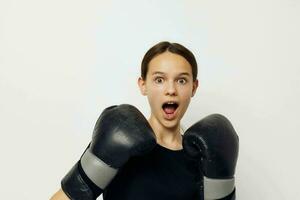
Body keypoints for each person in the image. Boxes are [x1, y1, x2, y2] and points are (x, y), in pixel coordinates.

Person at [50, 41, 238, 200]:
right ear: (143, 85)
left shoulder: (205, 155)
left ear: (194, 87)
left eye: (181, 80)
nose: (170, 90)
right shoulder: (117, 140)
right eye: (159, 80)